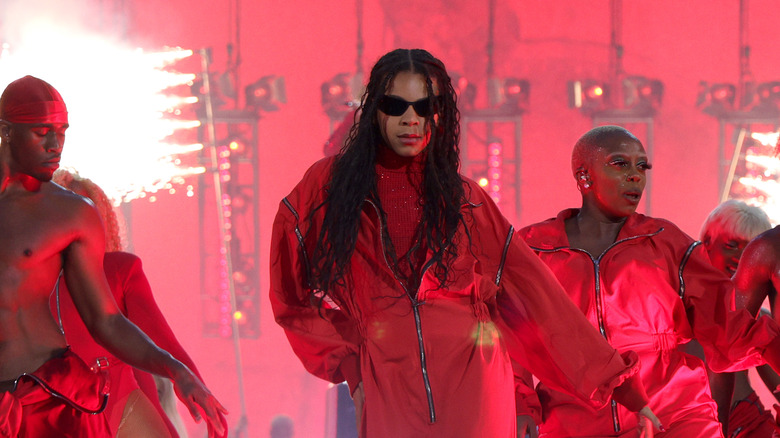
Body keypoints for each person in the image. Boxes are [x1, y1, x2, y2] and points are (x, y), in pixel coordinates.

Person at [269, 49, 661, 437]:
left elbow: (539, 296)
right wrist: (351, 364)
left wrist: (623, 386)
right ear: (375, 109)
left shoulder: (466, 201)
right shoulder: (329, 190)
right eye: (396, 105)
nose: (412, 119)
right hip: (387, 383)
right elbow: (290, 294)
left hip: (476, 387)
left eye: (425, 107)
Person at [516, 125, 780, 437]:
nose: (635, 175)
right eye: (620, 164)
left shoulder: (666, 242)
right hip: (572, 420)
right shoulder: (535, 249)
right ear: (584, 176)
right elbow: (510, 339)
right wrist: (521, 408)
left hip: (675, 414)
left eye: (642, 166)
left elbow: (729, 324)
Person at [0, 75, 227, 436]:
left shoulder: (72, 214)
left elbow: (105, 320)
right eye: (42, 132)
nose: (55, 144)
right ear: (7, 132)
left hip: (51, 399)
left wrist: (176, 369)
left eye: (61, 131)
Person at [51, 168, 204, 437]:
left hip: (121, 401)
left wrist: (191, 379)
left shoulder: (121, 270)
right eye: (67, 210)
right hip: (55, 410)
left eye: (86, 212)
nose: (77, 222)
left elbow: (163, 340)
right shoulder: (29, 281)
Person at [695, 200, 780, 437]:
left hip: (750, 427)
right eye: (732, 245)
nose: (741, 258)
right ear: (707, 242)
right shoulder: (668, 309)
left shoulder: (758, 322)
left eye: (748, 248)